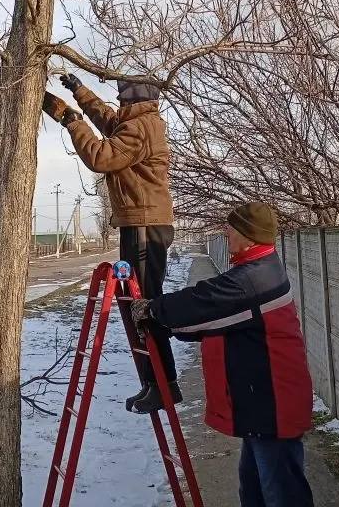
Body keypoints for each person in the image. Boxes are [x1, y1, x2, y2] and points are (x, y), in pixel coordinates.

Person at [130, 202, 315, 507]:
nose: (226, 231)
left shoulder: (254, 279)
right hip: (263, 404)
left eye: (232, 226)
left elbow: (205, 302)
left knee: (282, 494)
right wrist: (165, 322)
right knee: (254, 491)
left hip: (274, 405)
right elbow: (213, 318)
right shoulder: (256, 269)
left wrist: (153, 310)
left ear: (249, 235)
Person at [42, 72, 179, 415]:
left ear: (133, 100)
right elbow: (106, 119)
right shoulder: (139, 121)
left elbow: (101, 158)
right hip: (141, 224)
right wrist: (79, 91)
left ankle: (164, 385)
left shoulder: (140, 128)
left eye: (122, 99)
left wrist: (72, 121)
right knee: (135, 304)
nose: (118, 104)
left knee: (144, 306)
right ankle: (154, 382)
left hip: (146, 226)